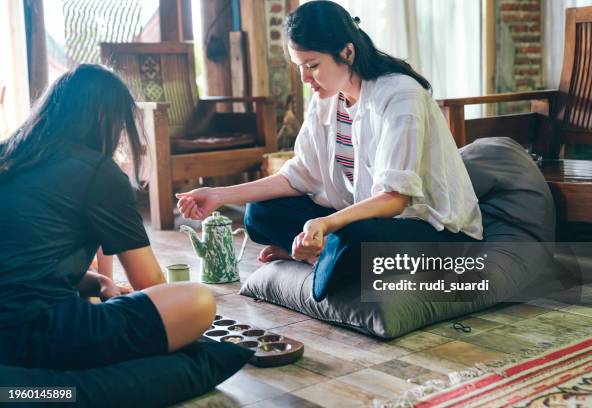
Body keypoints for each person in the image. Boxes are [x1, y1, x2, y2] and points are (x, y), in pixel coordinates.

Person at [177, 0, 483, 301]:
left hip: (428, 229)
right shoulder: (327, 99)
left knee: (357, 238)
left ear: (347, 52)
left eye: (312, 66)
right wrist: (219, 196)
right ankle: (329, 257)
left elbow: (395, 198)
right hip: (362, 219)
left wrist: (326, 224)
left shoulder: (400, 95)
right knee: (259, 213)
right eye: (299, 67)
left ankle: (323, 256)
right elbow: (297, 177)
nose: (304, 79)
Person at [0, 64, 215, 369]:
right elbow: (148, 282)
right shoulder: (97, 171)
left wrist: (97, 281)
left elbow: (21, 263)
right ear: (105, 119)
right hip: (29, 336)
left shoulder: (10, 154)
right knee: (197, 301)